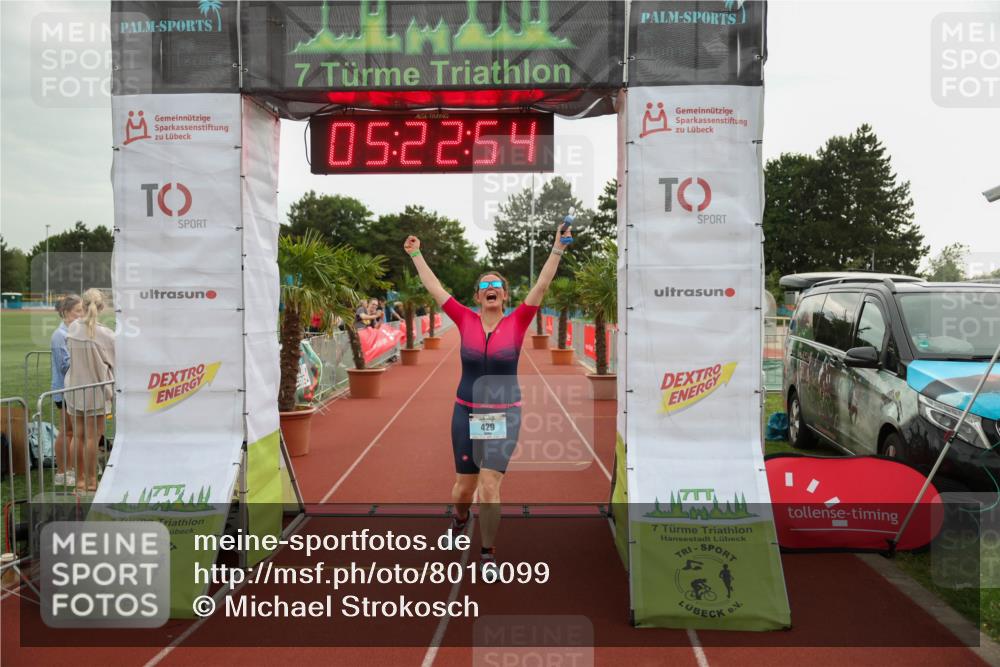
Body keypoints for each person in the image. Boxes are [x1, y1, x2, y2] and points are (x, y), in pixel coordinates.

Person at [404, 221, 572, 576]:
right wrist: (416, 254)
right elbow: (435, 288)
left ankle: (487, 554)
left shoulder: (519, 321)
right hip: (464, 412)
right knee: (464, 489)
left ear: (505, 296)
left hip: (504, 415)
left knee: (490, 484)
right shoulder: (463, 319)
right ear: (477, 297)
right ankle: (459, 520)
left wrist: (557, 247)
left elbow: (542, 284)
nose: (491, 288)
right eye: (485, 286)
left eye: (497, 285)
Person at [64, 289, 115, 493]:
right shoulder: (106, 335)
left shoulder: (73, 327)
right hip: (95, 391)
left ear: (83, 306)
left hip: (75, 388)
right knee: (93, 437)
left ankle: (80, 481)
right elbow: (115, 362)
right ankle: (92, 482)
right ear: (101, 307)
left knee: (78, 436)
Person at [51, 294, 83, 486]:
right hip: (63, 390)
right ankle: (62, 472)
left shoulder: (75, 332)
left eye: (82, 310)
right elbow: (64, 365)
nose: (81, 314)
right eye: (77, 311)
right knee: (68, 431)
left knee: (75, 431)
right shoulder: (59, 335)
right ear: (65, 312)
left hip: (76, 388)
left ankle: (72, 468)